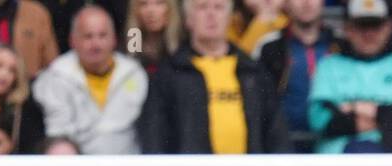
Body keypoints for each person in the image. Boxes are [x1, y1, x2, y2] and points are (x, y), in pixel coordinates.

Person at [139, 0, 290, 154]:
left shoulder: (253, 71)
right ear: (188, 19)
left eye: (218, 7)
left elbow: (276, 133)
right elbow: (154, 135)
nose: (211, 15)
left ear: (230, 17)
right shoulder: (169, 75)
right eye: (202, 7)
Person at [306, 0, 392, 154]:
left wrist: (352, 108)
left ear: (389, 27)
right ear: (347, 28)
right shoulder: (328, 66)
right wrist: (384, 114)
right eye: (362, 26)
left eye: (375, 26)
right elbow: (319, 121)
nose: (369, 34)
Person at [32, 6, 148, 155]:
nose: (96, 44)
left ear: (114, 40)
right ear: (72, 41)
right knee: (60, 150)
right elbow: (58, 132)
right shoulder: (55, 76)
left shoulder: (135, 73)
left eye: (102, 35)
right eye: (88, 36)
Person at [253, 0, 338, 150]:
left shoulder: (341, 44)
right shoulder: (268, 47)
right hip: (282, 145)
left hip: (333, 143)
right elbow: (258, 102)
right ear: (285, 3)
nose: (306, 3)